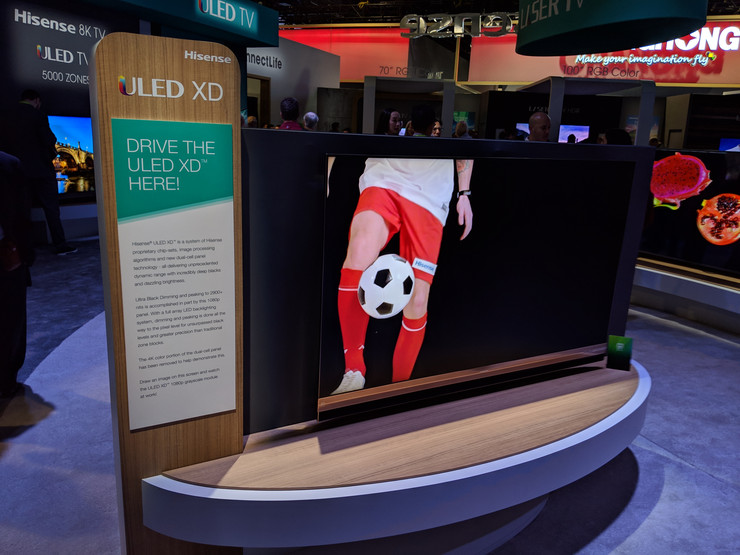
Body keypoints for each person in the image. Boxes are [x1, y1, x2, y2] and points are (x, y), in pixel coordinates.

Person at [332, 104, 474, 395]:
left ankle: (398, 389)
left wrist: (464, 194)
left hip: (429, 198)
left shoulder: (449, 142)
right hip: (385, 180)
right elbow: (332, 140)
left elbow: (467, 151)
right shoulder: (390, 140)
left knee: (418, 300)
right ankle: (354, 370)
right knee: (358, 253)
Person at [0, 90, 76, 255]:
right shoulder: (38, 115)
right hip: (41, 170)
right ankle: (60, 245)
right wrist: (49, 157)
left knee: (21, 211)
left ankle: (21, 249)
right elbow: (49, 140)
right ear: (37, 100)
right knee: (51, 209)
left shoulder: (5, 115)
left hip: (16, 172)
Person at [0, 151, 33, 397]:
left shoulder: (9, 164)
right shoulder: (8, 164)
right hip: (7, 258)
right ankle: (6, 381)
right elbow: (22, 217)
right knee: (10, 319)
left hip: (6, 258)